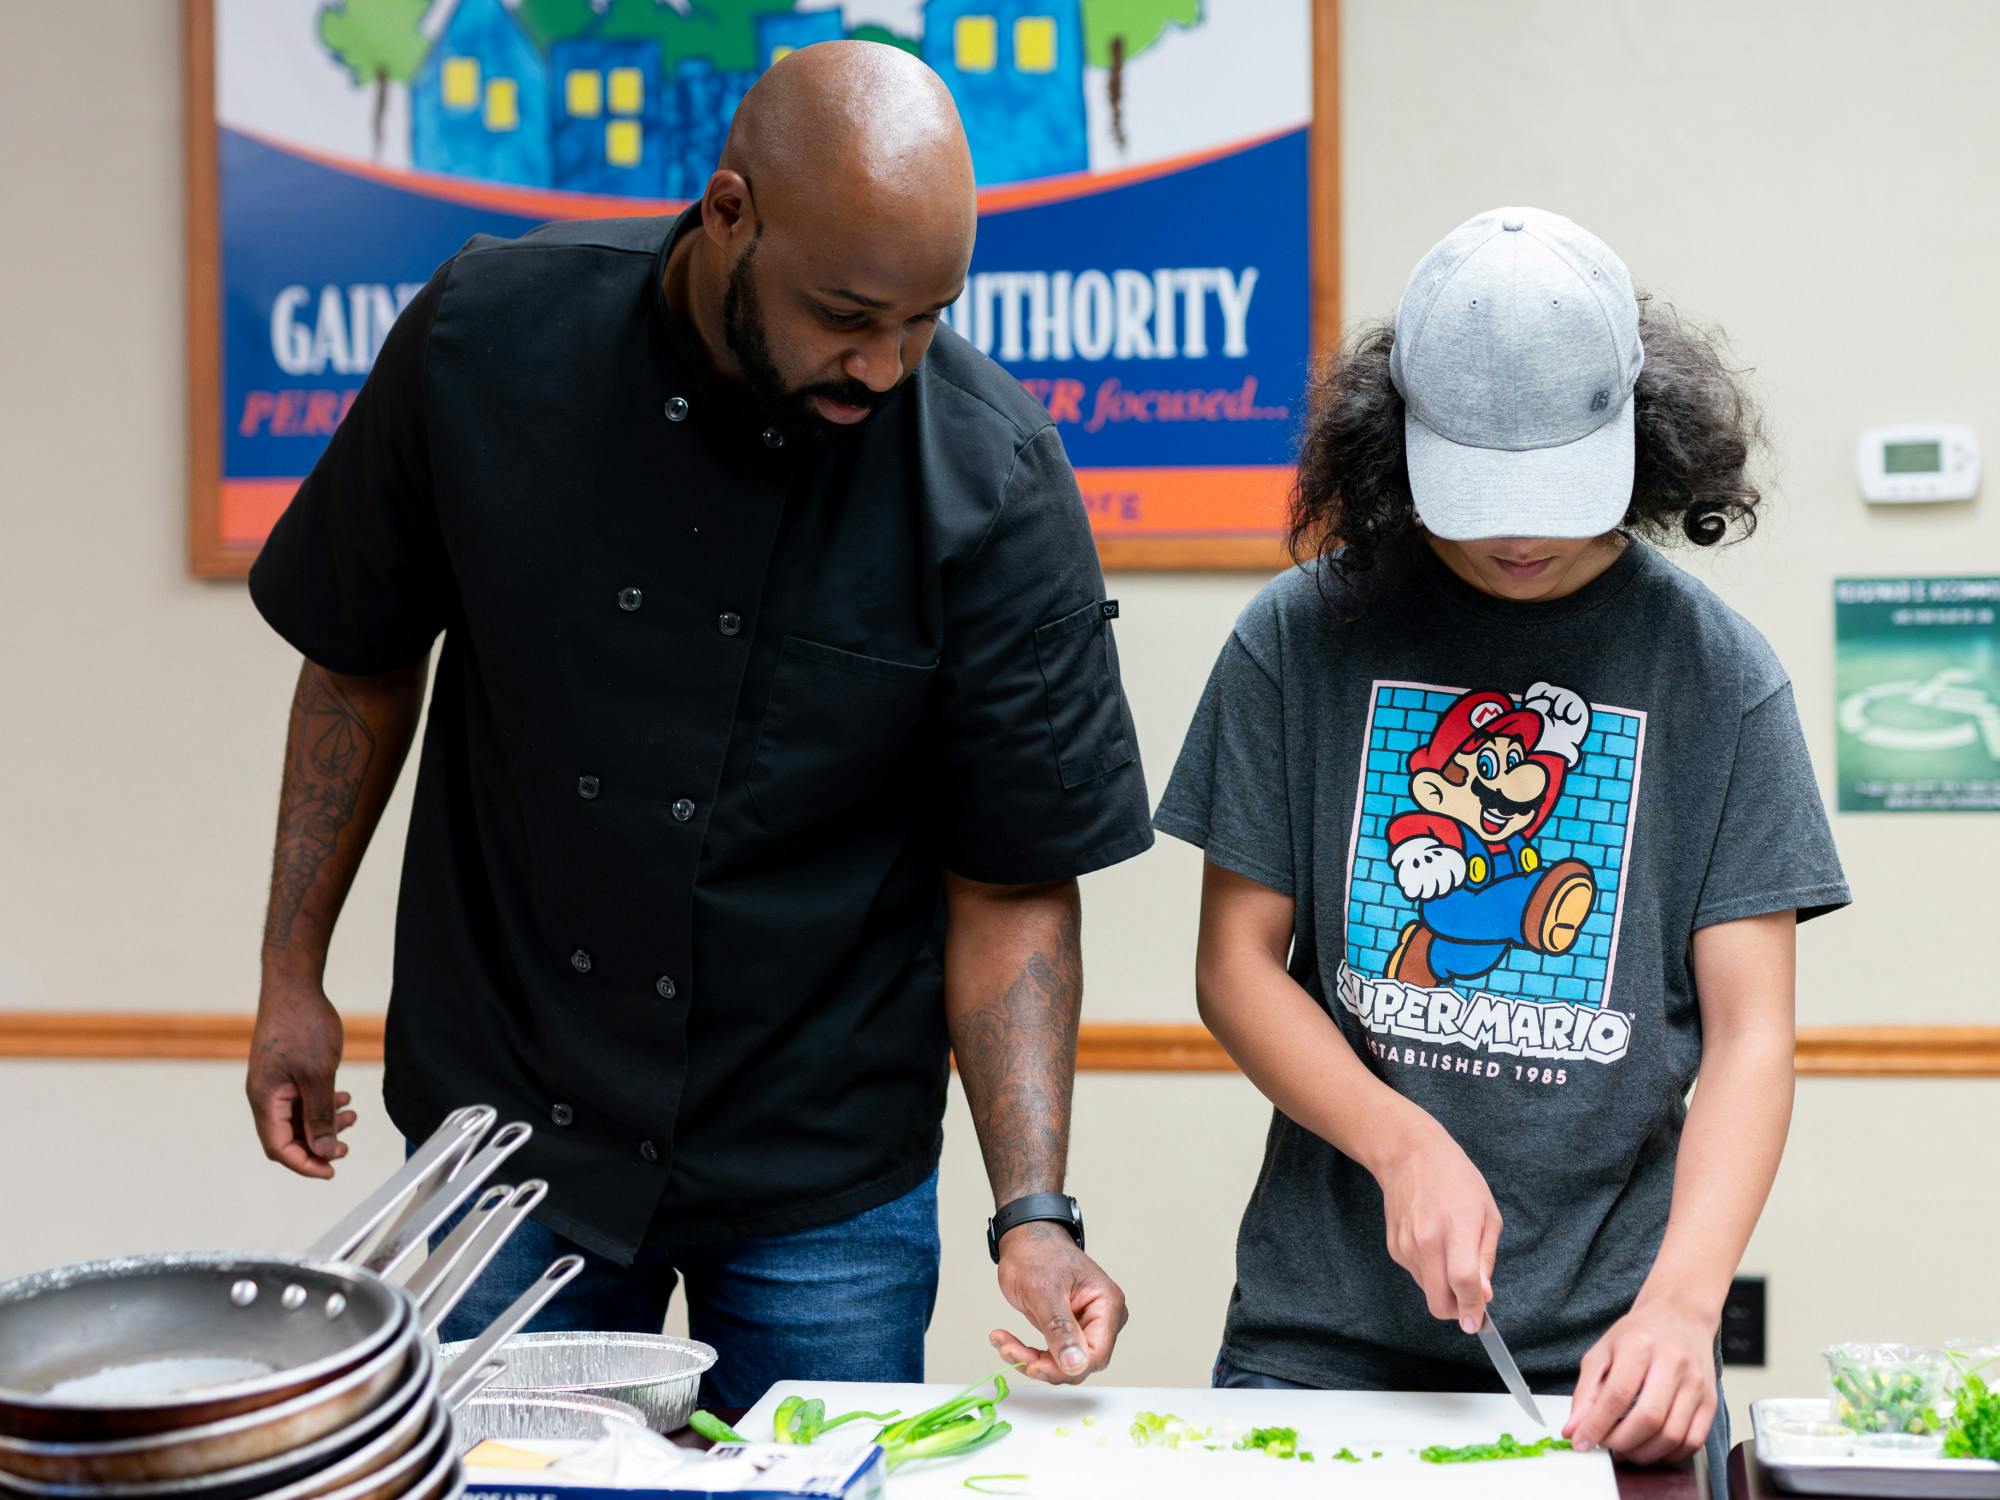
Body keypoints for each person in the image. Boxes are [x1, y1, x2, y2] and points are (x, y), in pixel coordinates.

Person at [244, 42, 1151, 1404]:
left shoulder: (994, 480)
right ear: (729, 211)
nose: (886, 366)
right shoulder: (485, 344)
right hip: (511, 1129)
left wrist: (1035, 1210)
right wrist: (289, 974)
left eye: (924, 319)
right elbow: (359, 664)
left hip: (821, 1177)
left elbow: (1012, 880)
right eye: (846, 313)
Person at [1153, 206, 1849, 1492]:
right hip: (1314, 1347)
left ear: (1639, 445)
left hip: (1609, 1359)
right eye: (1479, 499)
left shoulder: (1717, 679)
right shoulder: (1296, 641)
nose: (1517, 539)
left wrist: (1682, 1312)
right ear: (1396, 447)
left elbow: (1752, 1034)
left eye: (1556, 498)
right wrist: (1398, 1139)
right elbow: (1234, 965)